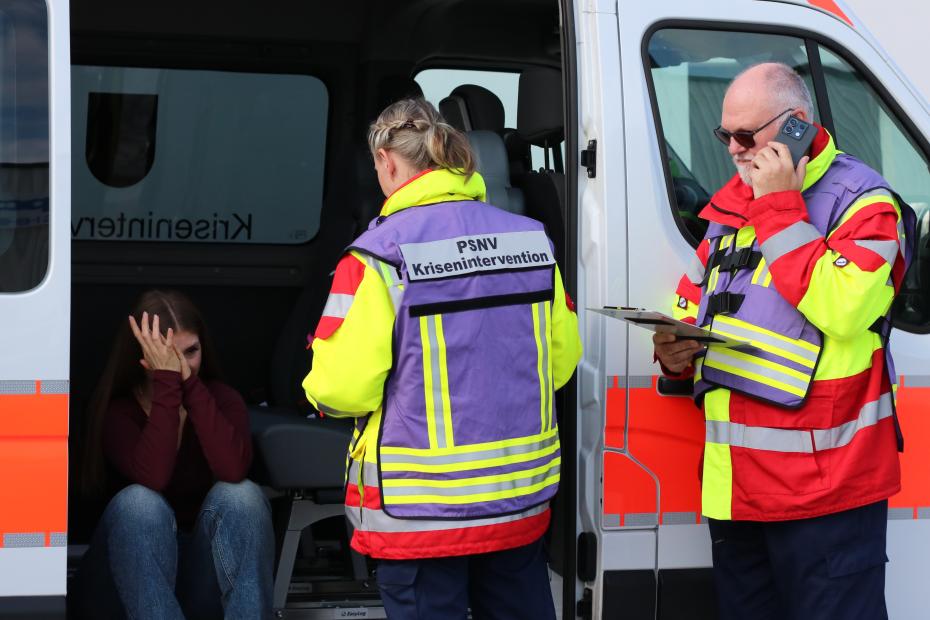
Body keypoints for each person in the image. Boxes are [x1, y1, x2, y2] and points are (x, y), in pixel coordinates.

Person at [654, 62, 917, 619]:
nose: (733, 150)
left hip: (827, 495)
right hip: (738, 491)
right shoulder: (732, 205)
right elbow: (690, 303)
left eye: (746, 136)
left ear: (795, 124)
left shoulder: (863, 201)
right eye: (724, 135)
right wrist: (675, 351)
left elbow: (843, 309)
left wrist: (777, 206)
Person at [302, 98, 582, 619]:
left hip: (421, 518)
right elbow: (561, 363)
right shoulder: (533, 243)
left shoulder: (378, 255)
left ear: (387, 160)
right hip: (516, 502)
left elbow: (342, 389)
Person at [75, 290, 274, 620]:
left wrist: (189, 387)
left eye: (191, 352)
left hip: (199, 574)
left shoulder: (222, 400)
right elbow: (154, 477)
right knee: (139, 502)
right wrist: (167, 383)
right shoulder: (118, 411)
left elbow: (232, 469)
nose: (182, 365)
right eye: (167, 355)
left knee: (242, 495)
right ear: (142, 355)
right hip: (124, 583)